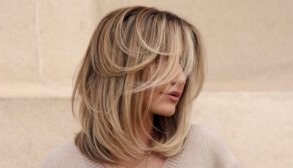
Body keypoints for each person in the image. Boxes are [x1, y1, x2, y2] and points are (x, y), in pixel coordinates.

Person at [42, 5, 240, 168]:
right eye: (164, 60)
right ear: (121, 65)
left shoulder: (204, 149)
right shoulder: (62, 163)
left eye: (182, 63)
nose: (181, 78)